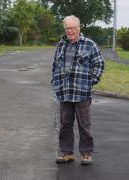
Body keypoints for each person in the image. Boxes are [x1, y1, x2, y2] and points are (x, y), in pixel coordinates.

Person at [51, 15, 104, 165]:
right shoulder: (61, 45)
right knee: (65, 124)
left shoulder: (89, 45)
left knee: (84, 125)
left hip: (82, 93)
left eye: (72, 28)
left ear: (78, 28)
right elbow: (55, 65)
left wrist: (90, 82)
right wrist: (55, 82)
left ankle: (86, 153)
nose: (69, 31)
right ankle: (66, 152)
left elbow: (99, 64)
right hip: (65, 92)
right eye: (67, 28)